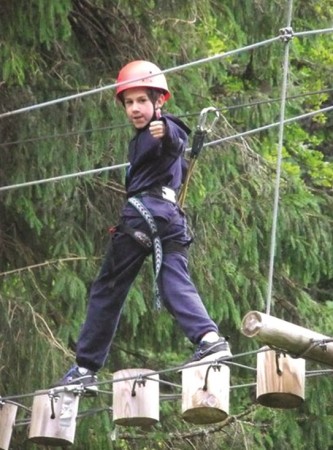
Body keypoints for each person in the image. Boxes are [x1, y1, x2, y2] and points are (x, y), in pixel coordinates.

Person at [54, 60, 231, 393]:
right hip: (170, 222)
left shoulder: (160, 128)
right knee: (172, 281)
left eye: (142, 101)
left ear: (159, 101)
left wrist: (166, 128)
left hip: (142, 216)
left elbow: (174, 136)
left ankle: (85, 367)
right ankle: (210, 340)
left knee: (108, 288)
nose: (135, 109)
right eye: (129, 102)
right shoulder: (140, 140)